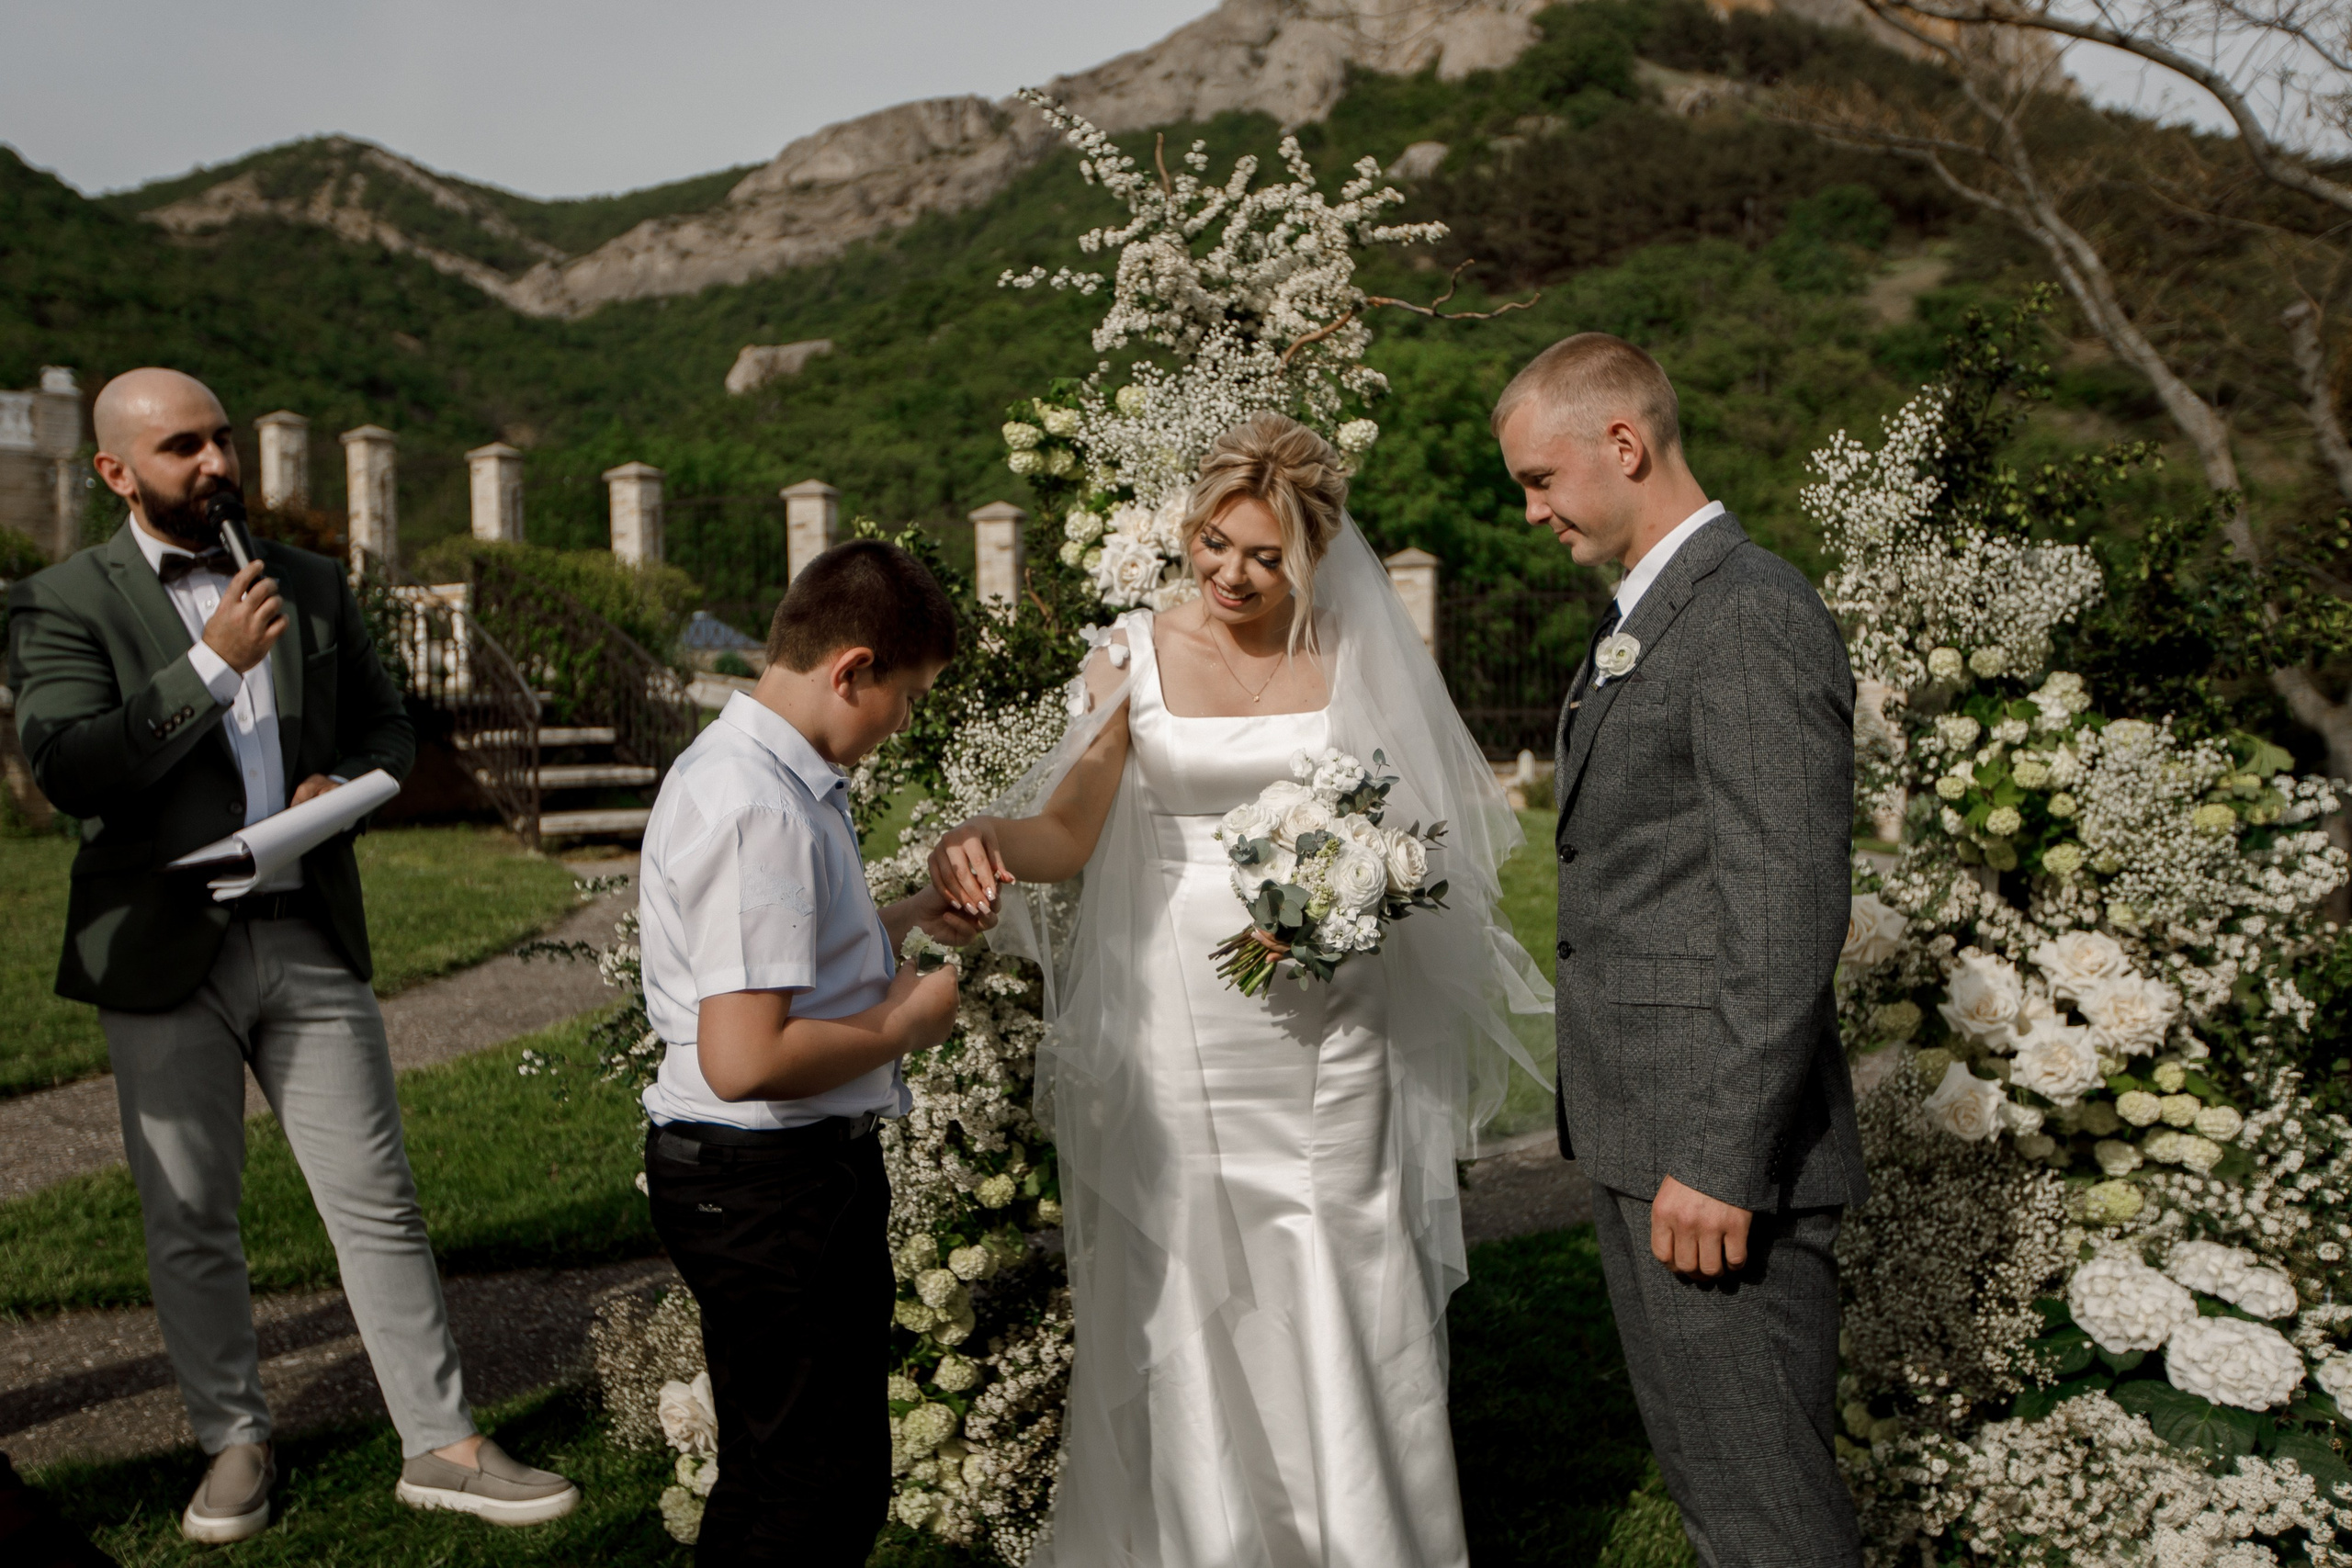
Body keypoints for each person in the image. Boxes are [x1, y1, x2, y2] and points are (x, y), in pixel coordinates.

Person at [929, 412, 1549, 1567]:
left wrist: (1360, 885)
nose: (1232, 574)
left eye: (1265, 557)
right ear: (1190, 528)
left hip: (1336, 1019)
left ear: (1311, 553)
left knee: (1340, 1255)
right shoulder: (1130, 655)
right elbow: (1071, 828)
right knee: (1194, 1269)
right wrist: (989, 837)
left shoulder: (1353, 652)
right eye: (1216, 543)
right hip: (1184, 1014)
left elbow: (1418, 838)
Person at [4, 368, 579, 1542]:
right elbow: (70, 768)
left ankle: (444, 1441)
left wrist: (345, 786)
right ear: (116, 471)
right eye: (182, 449)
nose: (216, 464)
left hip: (307, 931)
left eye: (221, 440)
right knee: (191, 1212)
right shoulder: (60, 599)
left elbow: (388, 726)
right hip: (160, 948)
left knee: (377, 1200)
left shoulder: (311, 581)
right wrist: (211, 663)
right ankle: (233, 1442)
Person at [1494, 333, 1869, 1567]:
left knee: (1770, 1519)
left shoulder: (1749, 611)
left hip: (1715, 1157)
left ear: (1624, 441)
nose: (1534, 511)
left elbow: (1785, 907)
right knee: (1721, 1504)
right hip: (1645, 1131)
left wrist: (1719, 1156)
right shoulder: (1655, 614)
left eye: (1541, 479)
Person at [637, 539, 988, 1565]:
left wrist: (908, 918)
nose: (905, 722)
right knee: (817, 1490)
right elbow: (746, 1053)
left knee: (777, 1465)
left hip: (764, 1177)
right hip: (768, 1183)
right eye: (908, 695)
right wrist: (911, 1024)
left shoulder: (763, 775)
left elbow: (776, 961)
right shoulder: (757, 806)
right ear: (853, 670)